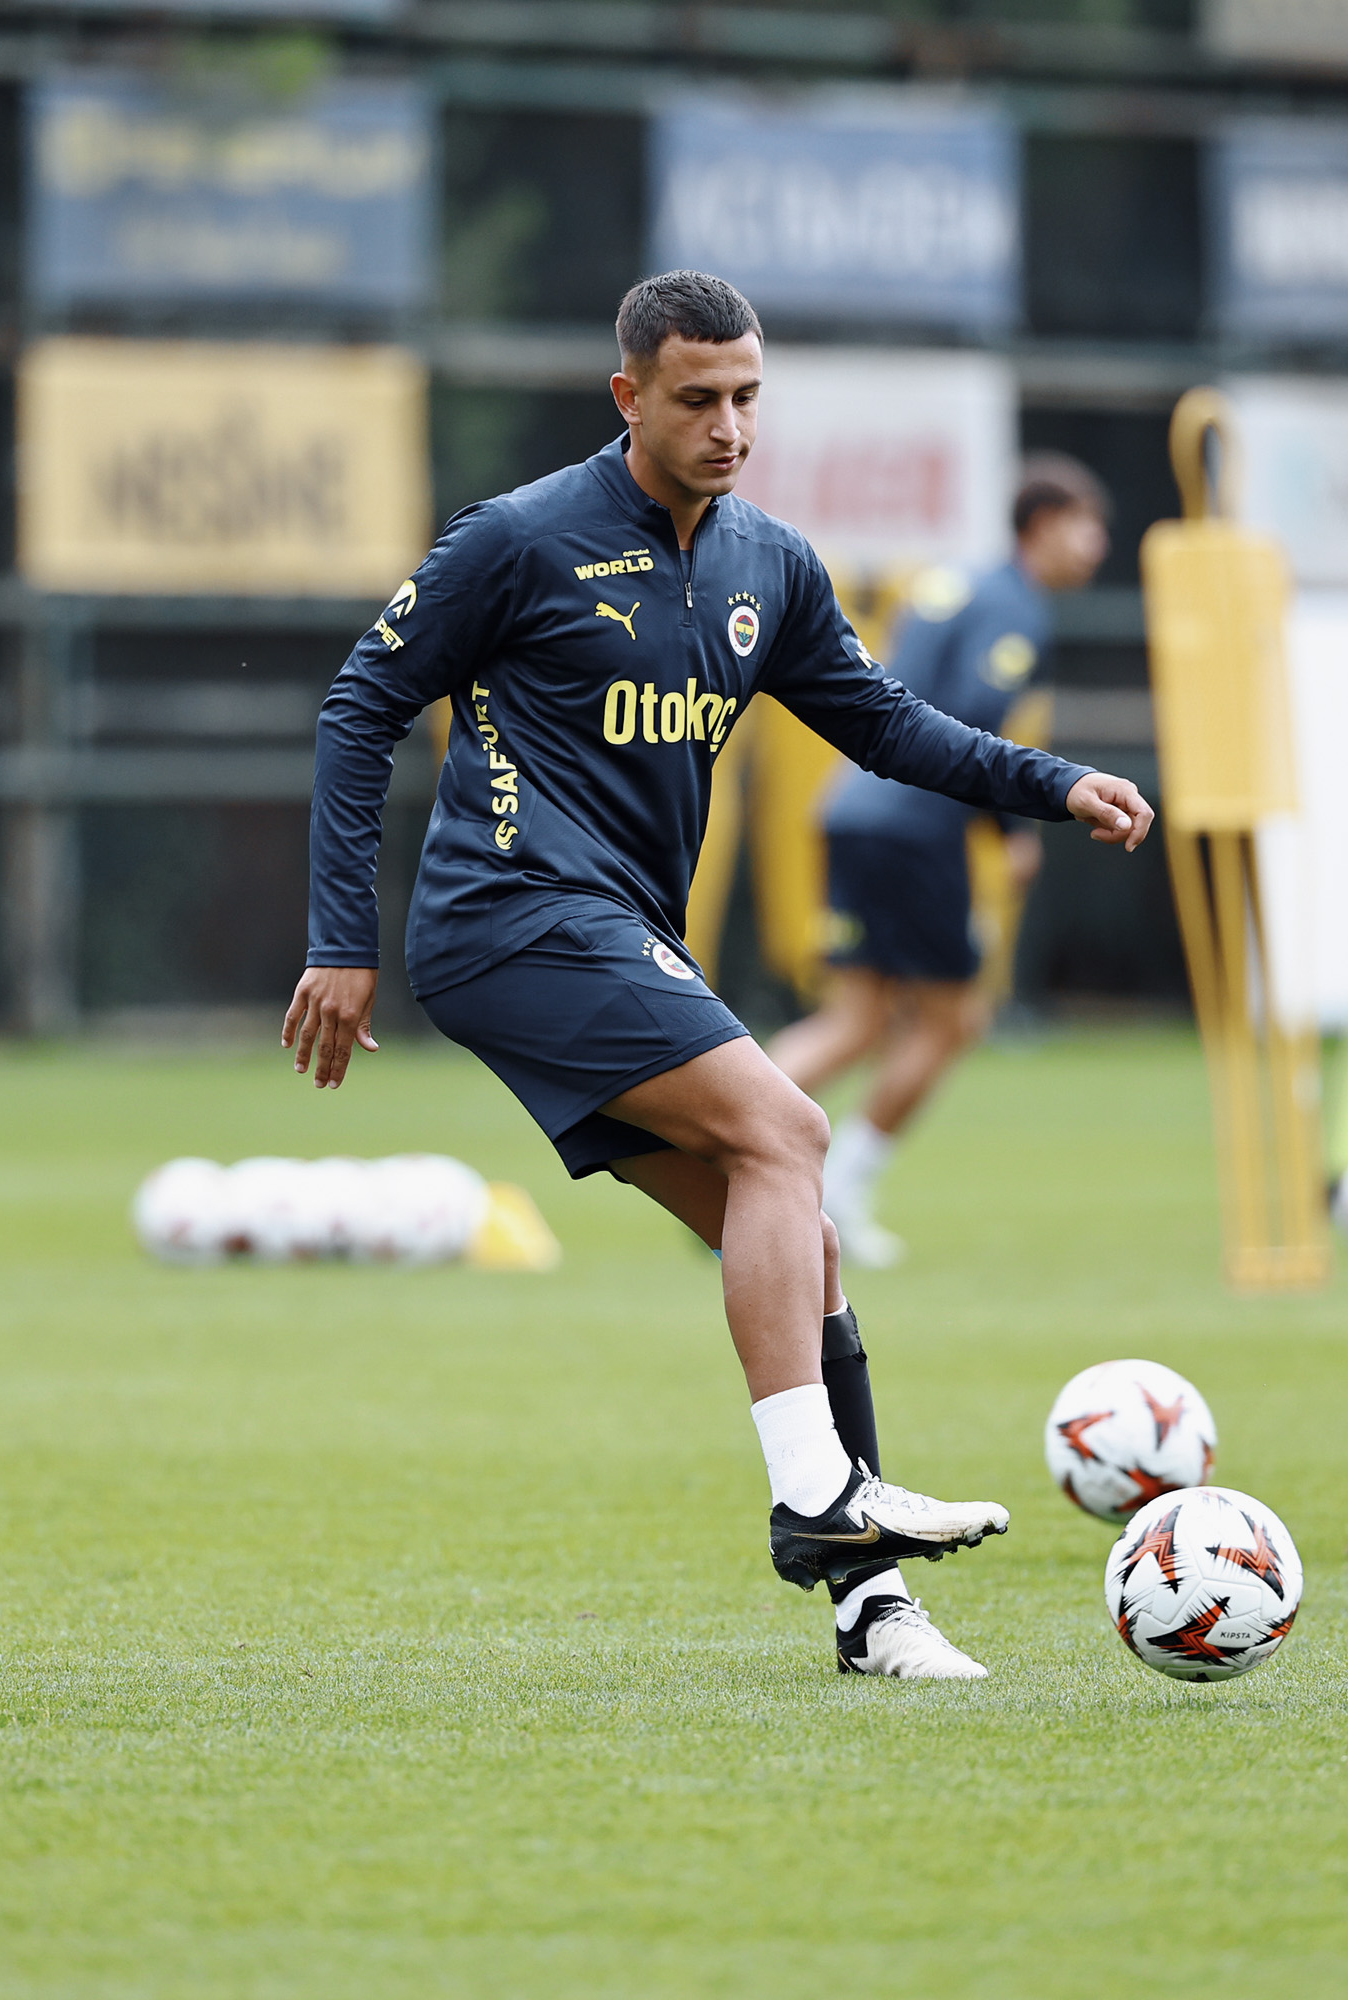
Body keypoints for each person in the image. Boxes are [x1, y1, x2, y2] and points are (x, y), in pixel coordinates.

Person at [284, 270, 1154, 1678]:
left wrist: (1052, 786)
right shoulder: (518, 540)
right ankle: (819, 1498)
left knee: (794, 1228)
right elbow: (359, 705)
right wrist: (340, 939)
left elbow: (882, 725)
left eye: (748, 396)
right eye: (698, 399)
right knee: (788, 1129)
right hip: (510, 915)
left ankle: (872, 1612)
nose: (730, 425)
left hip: (611, 929)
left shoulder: (768, 562)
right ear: (629, 396)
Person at [767, 455, 1110, 1267]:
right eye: (1086, 527)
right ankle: (839, 1189)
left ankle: (728, 1158)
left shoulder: (953, 583)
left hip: (852, 808)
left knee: (860, 1020)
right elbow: (967, 722)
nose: (1095, 547)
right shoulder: (1013, 608)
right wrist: (1010, 828)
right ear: (1044, 524)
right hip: (912, 825)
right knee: (954, 1018)